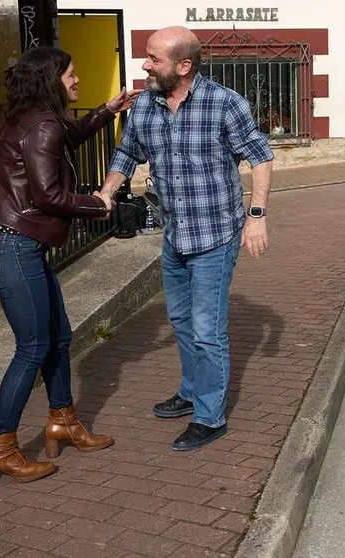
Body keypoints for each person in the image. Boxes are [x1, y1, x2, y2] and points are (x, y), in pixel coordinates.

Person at [99, 26, 274, 451]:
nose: (144, 65)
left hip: (216, 235)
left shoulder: (225, 104)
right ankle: (192, 390)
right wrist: (106, 191)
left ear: (184, 66)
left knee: (206, 329)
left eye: (153, 59)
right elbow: (127, 152)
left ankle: (210, 417)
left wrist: (256, 217)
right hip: (174, 234)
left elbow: (260, 157)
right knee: (180, 321)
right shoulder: (147, 106)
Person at [0, 47, 140, 487]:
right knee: (32, 347)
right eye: (71, 74)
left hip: (16, 244)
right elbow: (48, 196)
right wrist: (98, 203)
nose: (77, 80)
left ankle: (63, 422)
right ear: (52, 78)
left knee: (58, 338)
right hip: (13, 246)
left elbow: (67, 138)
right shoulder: (43, 125)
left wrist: (107, 111)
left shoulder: (32, 118)